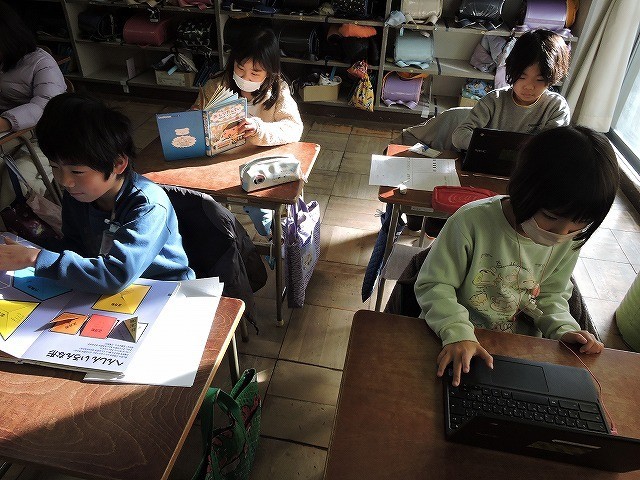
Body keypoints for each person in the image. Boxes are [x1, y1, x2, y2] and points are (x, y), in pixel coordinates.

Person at [415, 126, 620, 387]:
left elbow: (551, 295)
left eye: (577, 225)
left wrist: (564, 328)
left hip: (518, 349)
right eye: (551, 217)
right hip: (455, 337)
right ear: (522, 187)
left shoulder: (569, 240)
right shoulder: (471, 222)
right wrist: (457, 333)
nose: (560, 234)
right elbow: (435, 285)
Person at [0, 92, 195, 293]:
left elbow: (115, 275)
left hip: (164, 290)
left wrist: (35, 258)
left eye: (77, 171)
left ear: (118, 164)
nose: (65, 181)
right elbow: (74, 246)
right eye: (54, 167)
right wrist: (33, 251)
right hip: (109, 288)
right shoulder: (78, 194)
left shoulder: (148, 206)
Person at [194, 27, 304, 237]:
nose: (245, 77)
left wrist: (259, 129)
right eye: (239, 68)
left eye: (255, 73)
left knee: (259, 208)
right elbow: (196, 116)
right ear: (232, 61)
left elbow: (294, 127)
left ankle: (273, 235)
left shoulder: (278, 90)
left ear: (270, 71)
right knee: (204, 205)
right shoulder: (216, 85)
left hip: (258, 163)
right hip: (219, 163)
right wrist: (195, 118)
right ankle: (225, 239)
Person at [0, 1, 67, 221]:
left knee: (14, 181)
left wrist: (5, 122)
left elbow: (47, 105)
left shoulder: (40, 62)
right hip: (11, 136)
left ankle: (12, 223)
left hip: (44, 135)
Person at [451, 29, 570, 151]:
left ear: (552, 78)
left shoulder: (556, 107)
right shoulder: (494, 101)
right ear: (511, 70)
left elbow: (553, 148)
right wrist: (488, 145)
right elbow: (459, 135)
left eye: (539, 79)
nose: (529, 86)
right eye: (522, 77)